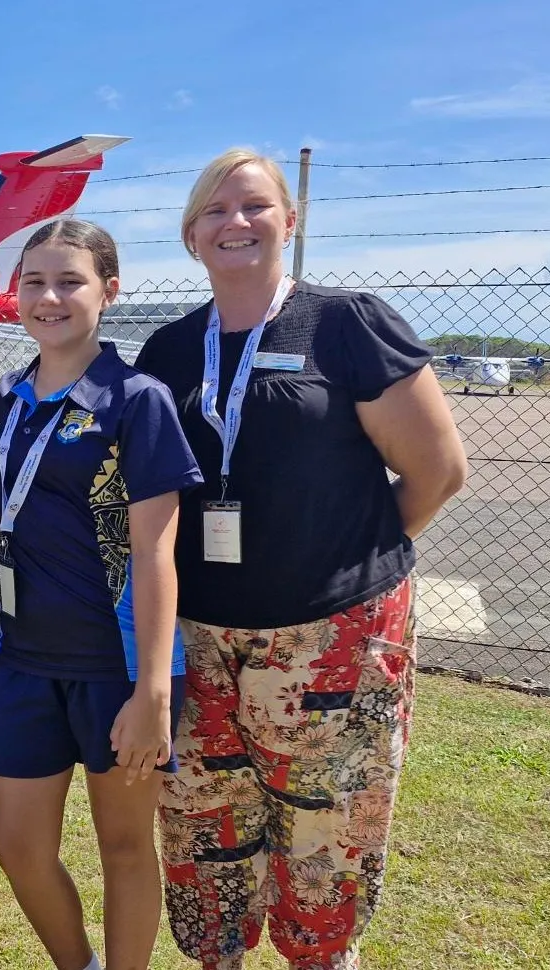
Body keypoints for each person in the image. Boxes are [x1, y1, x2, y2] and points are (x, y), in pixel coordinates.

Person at [132, 149, 467, 970]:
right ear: (188, 235)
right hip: (200, 640)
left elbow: (436, 471)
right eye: (213, 210)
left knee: (324, 846)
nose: (233, 223)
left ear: (290, 220)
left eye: (252, 206)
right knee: (202, 832)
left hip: (333, 641)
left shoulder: (345, 323)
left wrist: (340, 560)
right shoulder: (169, 352)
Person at [0, 219, 202, 970]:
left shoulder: (136, 400)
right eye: (34, 281)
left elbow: (154, 552)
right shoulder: (5, 401)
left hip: (115, 669)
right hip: (21, 664)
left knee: (121, 845)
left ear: (108, 292)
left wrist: (150, 692)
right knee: (17, 847)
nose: (49, 297)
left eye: (69, 281)